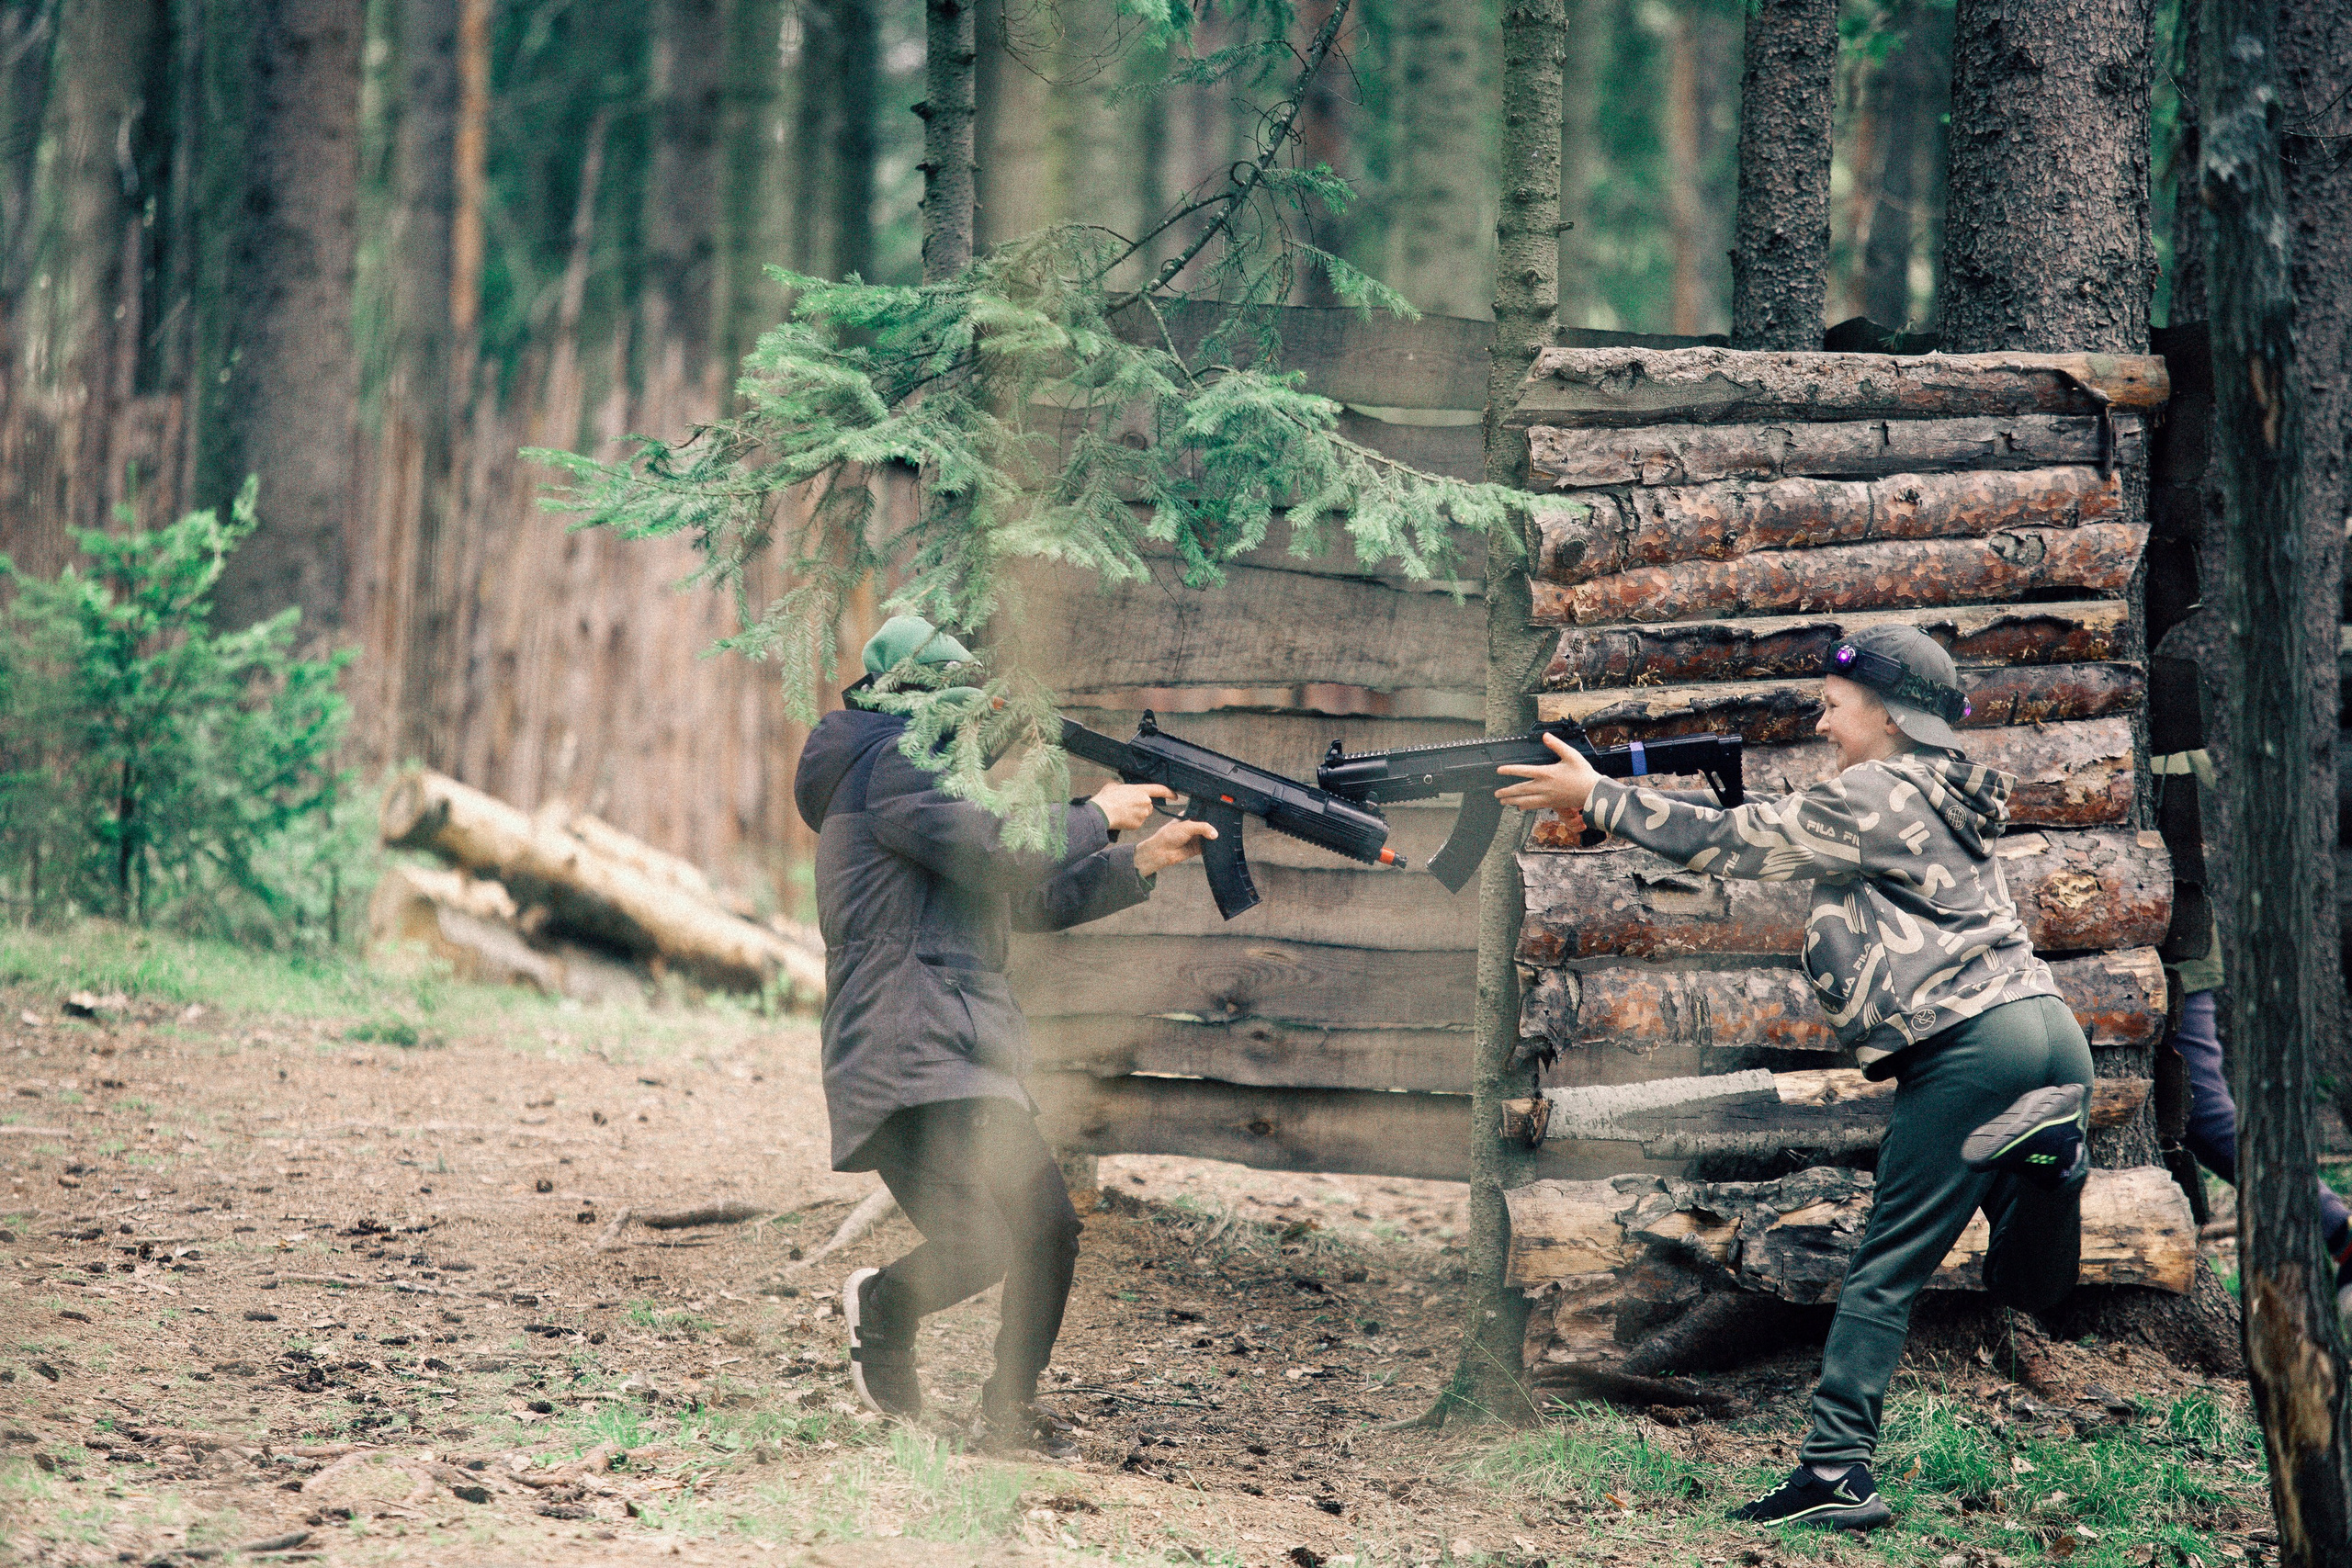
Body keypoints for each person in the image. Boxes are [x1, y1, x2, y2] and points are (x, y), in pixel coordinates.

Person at [1497, 624, 2092, 1531]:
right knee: (2024, 1284)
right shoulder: (1941, 792)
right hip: (2048, 1038)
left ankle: (1834, 1474)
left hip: (1970, 1046)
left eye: (1833, 706)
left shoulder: (1877, 790)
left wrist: (1598, 797)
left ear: (1887, 717)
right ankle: (2058, 1168)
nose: (1822, 724)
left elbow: (1734, 842)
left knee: (1883, 1271)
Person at [791, 615, 1216, 1454]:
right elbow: (1000, 853)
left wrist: (1143, 858)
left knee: (986, 1239)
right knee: (1042, 1225)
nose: (976, 724)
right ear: (915, 698)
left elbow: (1026, 899)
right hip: (917, 1044)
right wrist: (1096, 813)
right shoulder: (892, 761)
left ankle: (886, 1310)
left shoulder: (913, 787)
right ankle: (1006, 1415)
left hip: (921, 1048)